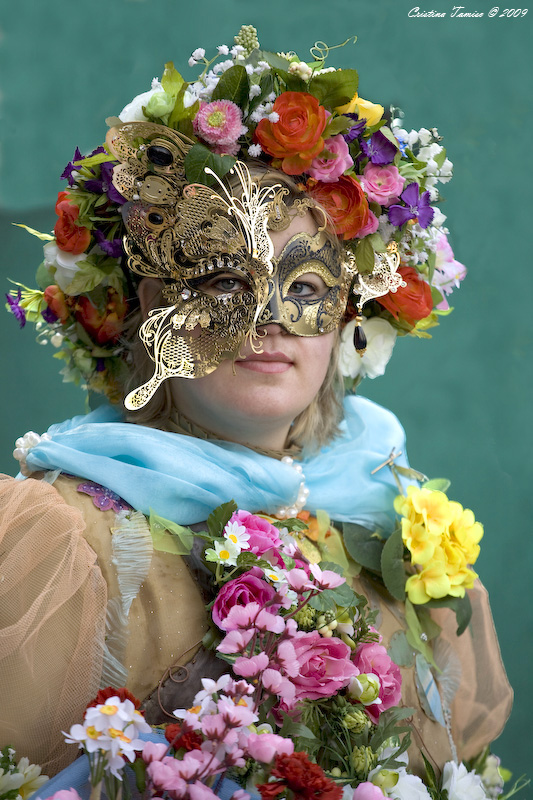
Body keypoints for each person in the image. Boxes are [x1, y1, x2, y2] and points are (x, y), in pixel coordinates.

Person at [1, 26, 512, 797]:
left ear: (346, 315)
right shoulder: (57, 542)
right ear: (151, 307)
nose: (268, 318)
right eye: (222, 283)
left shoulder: (397, 538)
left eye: (304, 288)